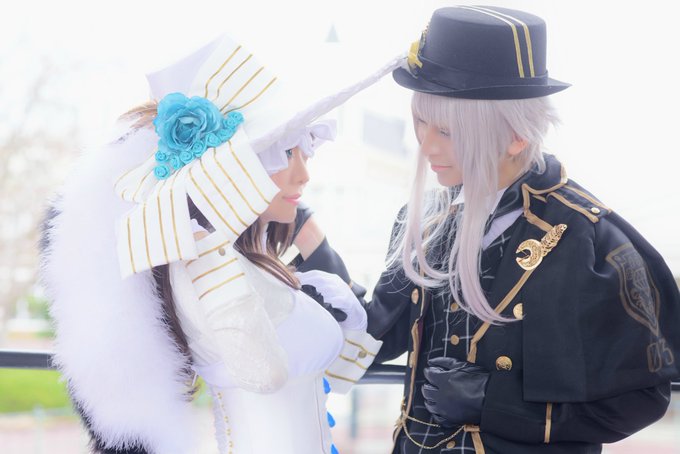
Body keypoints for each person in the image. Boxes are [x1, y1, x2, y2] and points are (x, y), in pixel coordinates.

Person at [294, 6, 680, 454]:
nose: (426, 145)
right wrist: (308, 236)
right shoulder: (427, 219)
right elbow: (378, 336)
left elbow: (640, 398)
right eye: (421, 122)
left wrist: (493, 404)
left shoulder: (587, 239)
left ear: (516, 136)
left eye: (447, 130)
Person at [41, 33, 401, 454]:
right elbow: (264, 373)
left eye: (305, 151)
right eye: (286, 153)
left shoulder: (251, 265)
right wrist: (212, 260)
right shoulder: (206, 267)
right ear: (231, 167)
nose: (304, 174)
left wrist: (339, 315)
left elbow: (325, 376)